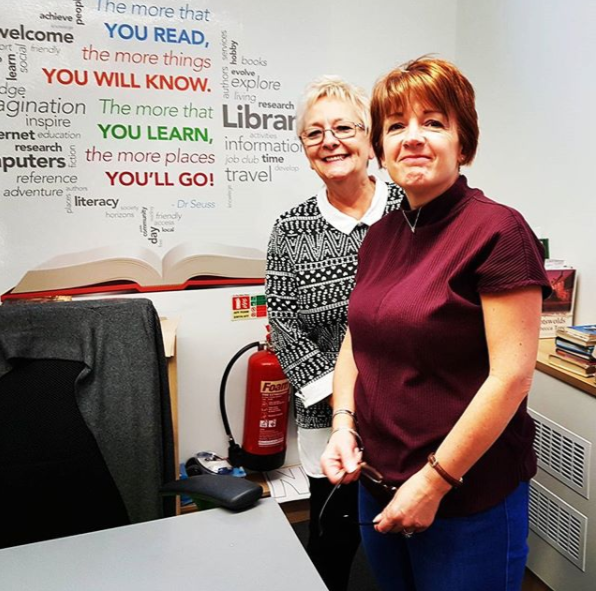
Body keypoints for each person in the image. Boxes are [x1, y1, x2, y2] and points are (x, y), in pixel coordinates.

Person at [321, 57, 551, 591]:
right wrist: (342, 425)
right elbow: (358, 339)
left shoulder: (497, 231)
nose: (413, 138)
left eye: (433, 122)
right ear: (380, 149)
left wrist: (434, 482)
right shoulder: (382, 235)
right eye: (396, 126)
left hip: (466, 499)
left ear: (462, 143)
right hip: (377, 484)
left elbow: (511, 378)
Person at [266, 76, 405, 591]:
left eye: (344, 128)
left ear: (371, 141)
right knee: (334, 542)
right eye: (315, 133)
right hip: (328, 420)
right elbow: (282, 323)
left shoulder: (413, 210)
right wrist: (342, 399)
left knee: (408, 538)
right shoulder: (291, 230)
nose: (331, 141)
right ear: (305, 151)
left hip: (413, 415)